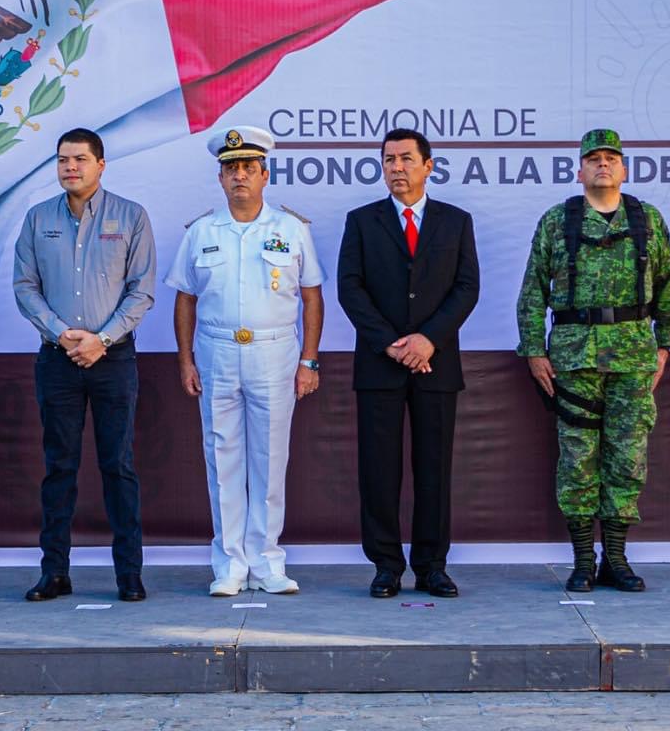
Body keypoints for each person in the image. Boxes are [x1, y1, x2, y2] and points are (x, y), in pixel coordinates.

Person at [516, 128, 670, 593]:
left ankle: (615, 556)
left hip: (633, 356)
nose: (603, 165)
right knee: (577, 459)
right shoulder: (558, 221)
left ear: (624, 169)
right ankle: (581, 560)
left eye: (611, 158)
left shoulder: (646, 219)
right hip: (573, 358)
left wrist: (665, 345)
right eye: (594, 159)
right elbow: (533, 291)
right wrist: (534, 351)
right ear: (580, 170)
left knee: (628, 458)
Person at [167, 125, 324, 596]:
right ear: (220, 178)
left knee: (270, 457)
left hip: (276, 351)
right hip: (216, 350)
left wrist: (309, 361)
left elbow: (312, 298)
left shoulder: (290, 229)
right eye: (230, 169)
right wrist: (185, 359)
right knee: (222, 457)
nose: (239, 177)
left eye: (248, 169)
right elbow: (185, 299)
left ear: (264, 174)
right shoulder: (201, 231)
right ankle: (230, 563)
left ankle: (267, 561)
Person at [13, 128, 157, 603]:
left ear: (101, 164)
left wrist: (103, 339)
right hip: (57, 360)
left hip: (113, 359)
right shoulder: (37, 219)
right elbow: (25, 287)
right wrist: (62, 334)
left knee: (119, 466)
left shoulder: (130, 217)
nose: (69, 167)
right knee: (60, 467)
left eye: (79, 159)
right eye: (62, 160)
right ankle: (54, 571)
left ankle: (129, 575)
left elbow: (141, 290)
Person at [337, 128, 480, 599]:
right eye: (388, 160)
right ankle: (385, 565)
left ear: (427, 166)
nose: (396, 167)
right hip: (381, 365)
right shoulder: (362, 221)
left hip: (435, 365)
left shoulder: (455, 222)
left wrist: (427, 340)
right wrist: (391, 344)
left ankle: (432, 565)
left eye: (405, 159)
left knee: (434, 468)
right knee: (379, 470)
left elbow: (466, 288)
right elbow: (350, 289)